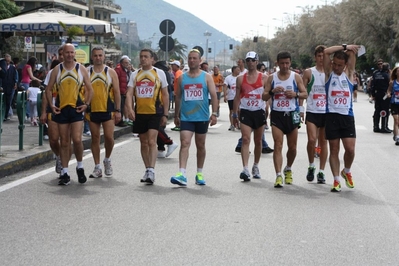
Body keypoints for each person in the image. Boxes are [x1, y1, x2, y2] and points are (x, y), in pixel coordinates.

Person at [45, 43, 94, 185]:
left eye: (72, 52)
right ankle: (65, 172)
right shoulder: (57, 70)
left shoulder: (81, 69)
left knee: (77, 139)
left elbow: (90, 89)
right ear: (63, 54)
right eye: (67, 53)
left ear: (75, 54)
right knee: (64, 141)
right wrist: (52, 105)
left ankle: (80, 166)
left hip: (76, 108)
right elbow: (48, 89)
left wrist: (86, 104)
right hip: (61, 109)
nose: (70, 55)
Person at [170, 48, 218, 186]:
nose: (191, 60)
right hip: (186, 117)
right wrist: (176, 114)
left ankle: (199, 173)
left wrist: (214, 113)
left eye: (194, 58)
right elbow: (178, 97)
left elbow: (214, 96)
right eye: (189, 58)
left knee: (200, 145)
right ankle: (182, 174)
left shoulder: (206, 77)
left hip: (202, 117)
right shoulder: (182, 78)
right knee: (185, 143)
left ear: (200, 60)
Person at [263, 51, 307, 188]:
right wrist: (272, 92)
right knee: (278, 144)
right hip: (277, 114)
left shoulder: (296, 77)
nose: (285, 66)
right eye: (282, 63)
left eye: (287, 63)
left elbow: (305, 94)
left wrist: (295, 94)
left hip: (292, 114)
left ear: (290, 63)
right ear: (278, 63)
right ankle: (278, 175)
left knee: (292, 148)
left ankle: (288, 168)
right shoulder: (271, 78)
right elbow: (264, 96)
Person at [125, 48, 169, 184]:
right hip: (140, 112)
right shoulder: (135, 74)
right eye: (141, 56)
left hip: (155, 112)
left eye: (146, 57)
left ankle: (152, 169)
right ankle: (147, 169)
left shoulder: (159, 73)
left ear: (152, 59)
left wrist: (166, 114)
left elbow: (165, 94)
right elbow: (129, 94)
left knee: (151, 141)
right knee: (143, 142)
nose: (143, 59)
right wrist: (130, 109)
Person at [323, 44, 359, 192]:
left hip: (347, 116)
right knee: (334, 149)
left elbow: (352, 53)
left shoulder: (349, 74)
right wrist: (344, 46)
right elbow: (326, 52)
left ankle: (347, 171)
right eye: (335, 64)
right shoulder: (328, 74)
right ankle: (336, 179)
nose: (337, 67)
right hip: (331, 116)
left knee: (350, 149)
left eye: (340, 65)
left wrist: (348, 49)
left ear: (345, 65)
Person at [85, 47, 121, 178]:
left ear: (104, 57)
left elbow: (117, 92)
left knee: (109, 137)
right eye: (95, 55)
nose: (98, 58)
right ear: (92, 57)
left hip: (108, 109)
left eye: (100, 55)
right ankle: (97, 166)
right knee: (95, 138)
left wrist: (118, 110)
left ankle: (107, 159)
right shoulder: (87, 72)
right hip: (92, 110)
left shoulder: (110, 72)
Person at [232, 51, 268, 181]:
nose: (250, 63)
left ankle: (256, 165)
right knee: (246, 139)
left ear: (257, 62)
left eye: (253, 60)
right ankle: (245, 169)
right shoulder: (240, 78)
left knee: (258, 141)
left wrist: (268, 109)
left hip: (259, 111)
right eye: (248, 60)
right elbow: (237, 97)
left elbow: (267, 95)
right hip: (246, 111)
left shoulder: (264, 78)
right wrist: (234, 114)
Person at [300, 45, 327, 184]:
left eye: (324, 56)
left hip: (326, 112)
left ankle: (321, 171)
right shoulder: (309, 72)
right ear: (316, 57)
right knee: (312, 140)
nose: (322, 59)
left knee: (323, 143)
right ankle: (311, 166)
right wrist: (300, 109)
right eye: (319, 56)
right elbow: (302, 91)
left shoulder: (331, 73)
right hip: (312, 110)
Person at [40, 46, 64, 174]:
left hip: (69, 109)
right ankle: (59, 156)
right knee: (53, 139)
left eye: (64, 53)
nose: (62, 56)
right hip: (53, 108)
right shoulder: (52, 73)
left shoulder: (77, 70)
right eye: (60, 54)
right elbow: (45, 93)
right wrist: (43, 111)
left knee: (66, 140)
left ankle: (65, 166)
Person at [153, 56, 179, 158]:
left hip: (158, 102)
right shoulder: (166, 71)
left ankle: (169, 142)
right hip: (163, 101)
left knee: (155, 126)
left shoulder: (158, 71)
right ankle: (161, 148)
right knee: (159, 126)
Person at [371, 59, 391, 133]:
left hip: (377, 94)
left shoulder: (376, 74)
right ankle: (384, 126)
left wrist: (373, 94)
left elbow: (373, 84)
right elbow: (390, 84)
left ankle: (376, 126)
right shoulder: (387, 75)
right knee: (385, 110)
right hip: (385, 94)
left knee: (377, 110)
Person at [115, 55, 132, 127]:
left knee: (123, 106)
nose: (127, 64)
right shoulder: (118, 69)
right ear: (122, 63)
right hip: (119, 91)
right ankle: (119, 121)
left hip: (123, 91)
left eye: (128, 63)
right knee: (120, 106)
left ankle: (121, 120)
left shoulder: (125, 70)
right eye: (125, 63)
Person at [0, 54, 18, 122]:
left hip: (10, 86)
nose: (7, 62)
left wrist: (15, 83)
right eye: (6, 61)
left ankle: (6, 115)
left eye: (8, 61)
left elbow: (15, 76)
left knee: (8, 102)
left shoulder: (12, 68)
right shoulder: (2, 67)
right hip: (3, 85)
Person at [224, 65, 240, 131]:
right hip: (231, 97)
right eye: (237, 70)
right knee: (231, 111)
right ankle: (232, 124)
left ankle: (238, 124)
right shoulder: (228, 78)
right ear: (234, 71)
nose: (239, 71)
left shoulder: (240, 78)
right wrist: (225, 95)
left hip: (239, 97)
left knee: (239, 111)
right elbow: (225, 87)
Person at [386, 66, 399, 145]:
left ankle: (395, 134)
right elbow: (388, 91)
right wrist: (388, 94)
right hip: (394, 103)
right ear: (396, 73)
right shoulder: (392, 82)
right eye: (398, 71)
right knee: (396, 120)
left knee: (398, 121)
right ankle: (397, 137)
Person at [170, 60, 183, 131]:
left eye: (173, 65)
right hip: (177, 93)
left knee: (179, 109)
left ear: (176, 66)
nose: (172, 67)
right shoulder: (178, 73)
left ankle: (179, 124)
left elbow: (179, 83)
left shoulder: (178, 73)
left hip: (178, 94)